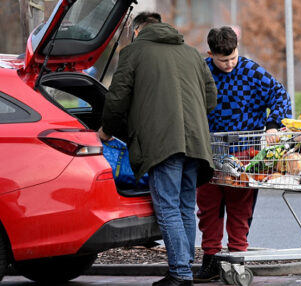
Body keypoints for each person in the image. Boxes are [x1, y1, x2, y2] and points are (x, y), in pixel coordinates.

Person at [98, 12, 217, 286]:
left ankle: (180, 273)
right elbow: (211, 98)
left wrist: (107, 130)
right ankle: (185, 265)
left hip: (163, 142)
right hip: (196, 142)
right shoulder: (191, 53)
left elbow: (117, 98)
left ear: (136, 30)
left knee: (167, 207)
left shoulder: (133, 53)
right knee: (186, 204)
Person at [194, 26, 292, 282]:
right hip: (210, 151)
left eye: (233, 57)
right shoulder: (201, 71)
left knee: (240, 208)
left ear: (238, 49)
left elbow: (280, 96)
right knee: (208, 208)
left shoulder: (252, 71)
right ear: (210, 53)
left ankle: (238, 256)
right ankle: (211, 258)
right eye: (223, 60)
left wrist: (273, 125)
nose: (229, 64)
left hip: (245, 153)